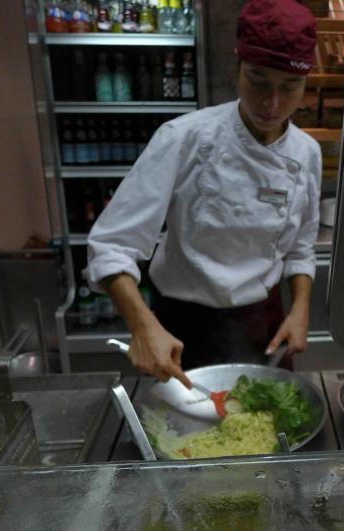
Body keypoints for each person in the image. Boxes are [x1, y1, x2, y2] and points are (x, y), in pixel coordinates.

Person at [86, 0, 321, 387]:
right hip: (182, 327)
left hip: (264, 324)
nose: (272, 103)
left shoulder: (306, 153)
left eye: (289, 86)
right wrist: (143, 326)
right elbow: (112, 245)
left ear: (305, 82)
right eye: (258, 80)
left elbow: (300, 249)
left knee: (270, 421)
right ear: (236, 67)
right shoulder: (183, 138)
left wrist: (300, 310)